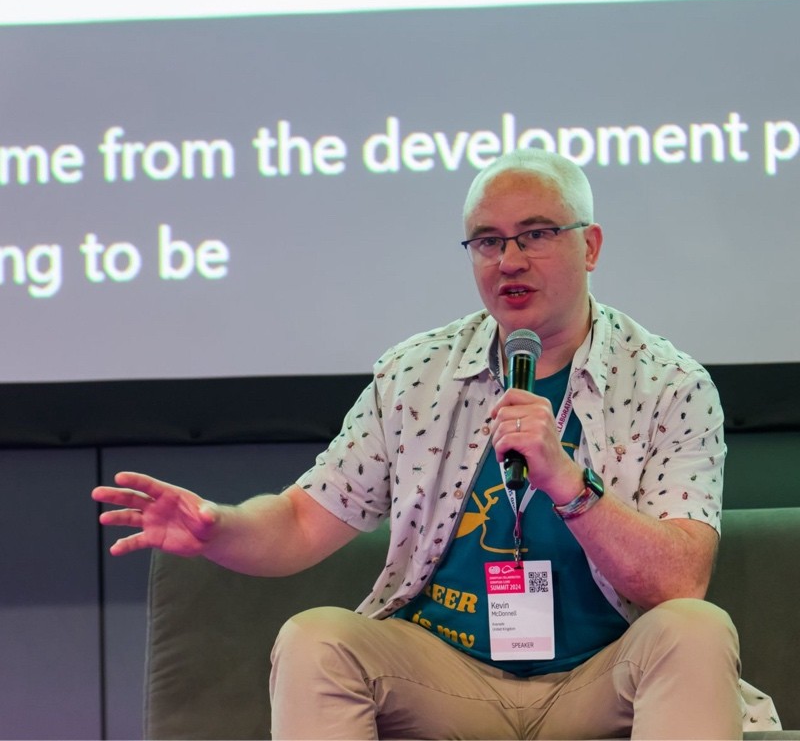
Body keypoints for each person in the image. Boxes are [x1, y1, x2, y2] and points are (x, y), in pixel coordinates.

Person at [93, 149, 778, 740]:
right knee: (314, 640)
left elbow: (679, 580)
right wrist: (218, 527)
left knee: (695, 628)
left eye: (535, 235)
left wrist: (570, 482)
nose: (509, 259)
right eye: (487, 241)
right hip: (448, 676)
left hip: (604, 672)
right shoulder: (418, 374)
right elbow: (304, 518)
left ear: (590, 245)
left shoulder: (669, 383)